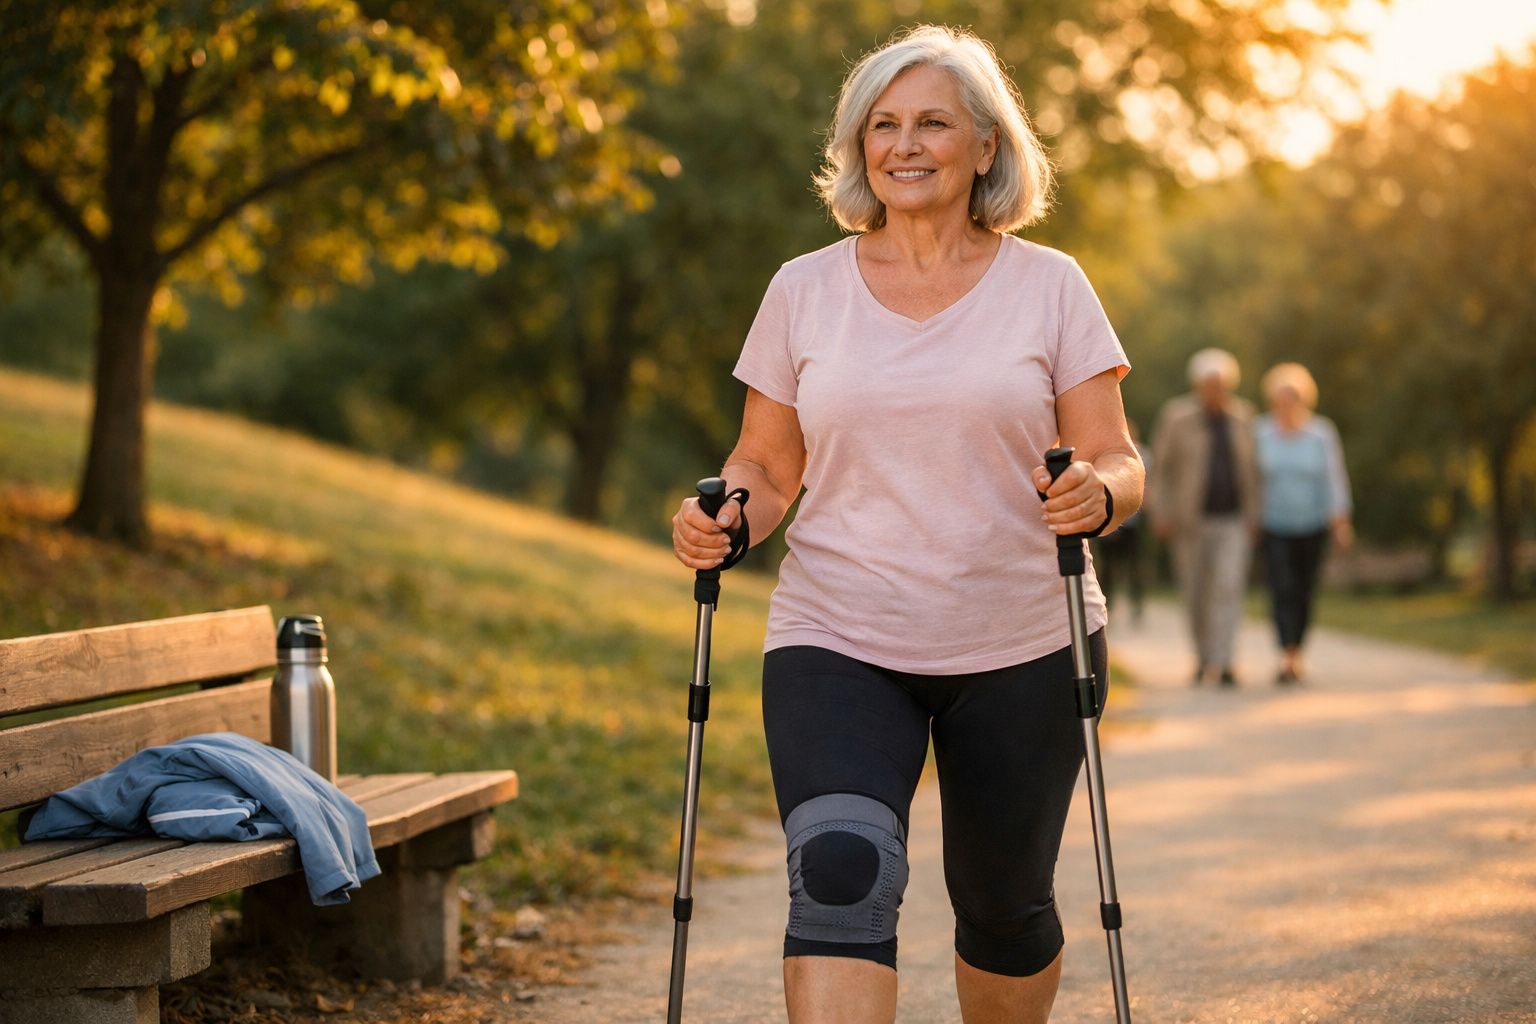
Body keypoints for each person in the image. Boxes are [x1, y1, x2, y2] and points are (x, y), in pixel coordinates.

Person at [670, 25, 1143, 1024]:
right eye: (881, 124)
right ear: (857, 150)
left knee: (1004, 907)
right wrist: (726, 514)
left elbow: (1117, 457)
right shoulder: (803, 289)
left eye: (933, 121)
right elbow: (767, 461)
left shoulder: (1051, 285)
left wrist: (1098, 494)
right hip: (840, 631)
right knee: (840, 874)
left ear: (986, 145)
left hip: (1023, 636)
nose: (905, 143)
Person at [1147, 348, 1260, 686]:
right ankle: (1202, 656)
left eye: (1222, 385)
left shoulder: (1244, 417)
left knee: (1228, 588)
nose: (1216, 391)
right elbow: (1160, 471)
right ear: (1197, 385)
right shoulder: (1176, 417)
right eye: (1209, 384)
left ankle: (1224, 662)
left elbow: (1253, 473)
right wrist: (1161, 511)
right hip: (1189, 521)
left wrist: (1255, 516)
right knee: (1195, 592)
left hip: (1233, 520)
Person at [1255, 362, 1353, 684]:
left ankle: (1298, 650)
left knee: (1305, 591)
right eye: (1281, 398)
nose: (1287, 404)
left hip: (1312, 525)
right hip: (1274, 524)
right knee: (1282, 587)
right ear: (1272, 400)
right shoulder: (1261, 432)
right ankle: (1286, 655)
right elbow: (1251, 480)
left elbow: (1333, 478)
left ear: (1304, 399)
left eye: (1293, 397)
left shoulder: (1321, 434)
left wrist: (1339, 520)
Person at [1091, 419, 1149, 626]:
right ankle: (1110, 604)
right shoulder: (1100, 456)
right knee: (1108, 567)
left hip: (1133, 524)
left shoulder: (1141, 454)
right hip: (1111, 523)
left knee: (1134, 567)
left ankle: (1137, 605)